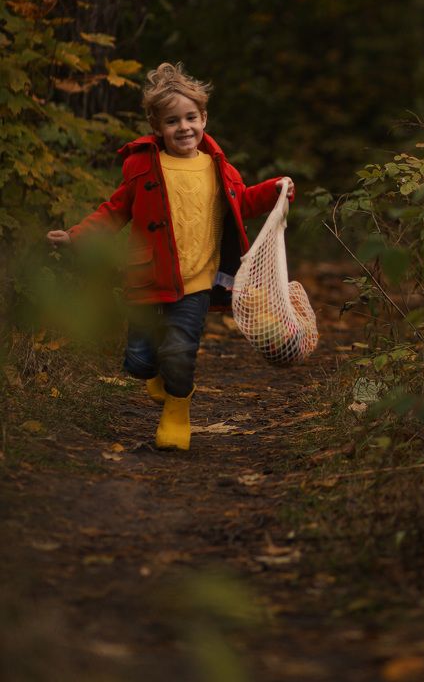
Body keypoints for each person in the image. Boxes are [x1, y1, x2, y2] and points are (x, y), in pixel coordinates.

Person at [46, 62, 294, 452]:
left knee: (180, 351)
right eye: (173, 120)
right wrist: (77, 236)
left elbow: (241, 202)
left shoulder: (218, 169)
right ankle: (158, 375)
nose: (184, 127)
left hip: (196, 282)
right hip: (147, 280)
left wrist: (275, 189)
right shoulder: (143, 166)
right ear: (156, 125)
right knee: (139, 361)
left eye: (191, 118)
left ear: (204, 118)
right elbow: (114, 211)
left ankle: (178, 410)